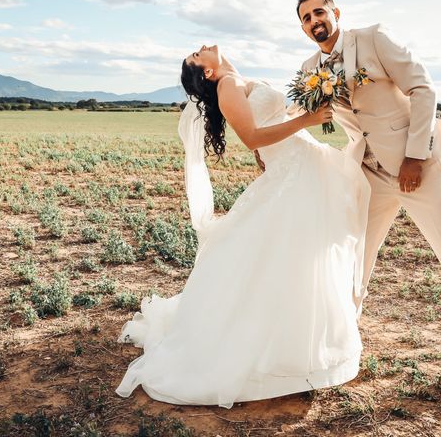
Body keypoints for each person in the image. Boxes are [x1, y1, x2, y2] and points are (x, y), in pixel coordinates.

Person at [115, 44, 371, 408]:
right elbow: (251, 135)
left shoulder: (238, 80)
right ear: (206, 72)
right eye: (196, 55)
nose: (200, 48)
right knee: (288, 257)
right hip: (293, 174)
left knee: (303, 257)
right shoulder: (226, 85)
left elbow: (261, 129)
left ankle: (301, 347)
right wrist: (305, 121)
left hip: (302, 164)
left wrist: (305, 107)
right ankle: (283, 353)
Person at [279, 0, 441, 397]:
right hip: (367, 173)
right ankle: (339, 350)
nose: (315, 21)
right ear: (301, 27)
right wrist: (270, 145)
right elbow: (294, 114)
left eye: (320, 12)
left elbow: (424, 88)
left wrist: (415, 156)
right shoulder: (309, 68)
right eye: (306, 17)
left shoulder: (373, 39)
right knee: (353, 261)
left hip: (419, 167)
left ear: (335, 13)